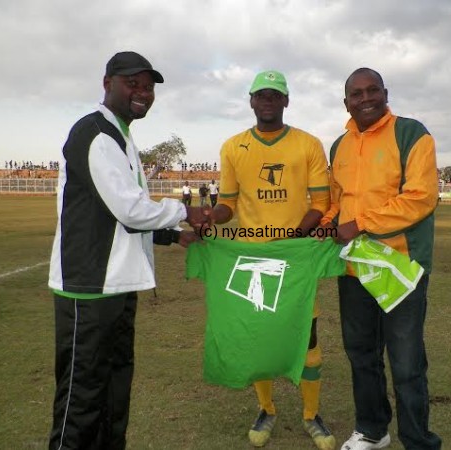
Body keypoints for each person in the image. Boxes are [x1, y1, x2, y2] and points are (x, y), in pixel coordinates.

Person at [47, 51, 206, 450]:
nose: (143, 93)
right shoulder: (96, 133)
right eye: (132, 83)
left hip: (116, 287)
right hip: (89, 289)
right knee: (81, 401)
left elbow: (121, 216)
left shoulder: (120, 135)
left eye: (148, 87)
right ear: (107, 84)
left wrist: (173, 236)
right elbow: (130, 210)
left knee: (114, 395)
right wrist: (187, 212)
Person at [210, 70, 335, 449]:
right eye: (261, 95)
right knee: (259, 338)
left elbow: (321, 204)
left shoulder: (308, 144)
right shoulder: (233, 147)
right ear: (251, 100)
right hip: (252, 260)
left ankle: (312, 415)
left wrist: (291, 241)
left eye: (275, 95)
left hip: (296, 261)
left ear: (286, 101)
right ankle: (267, 408)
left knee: (307, 339)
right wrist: (209, 219)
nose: (267, 100)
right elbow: (227, 205)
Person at [319, 68, 442, 450]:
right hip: (354, 267)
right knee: (361, 354)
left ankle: (418, 442)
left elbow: (420, 197)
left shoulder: (411, 133)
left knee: (406, 364)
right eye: (357, 93)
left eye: (373, 90)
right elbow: (338, 202)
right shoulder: (339, 145)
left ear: (385, 93)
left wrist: (360, 224)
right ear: (346, 102)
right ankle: (373, 430)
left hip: (400, 267)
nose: (366, 98)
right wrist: (326, 224)